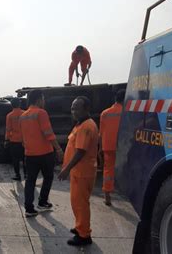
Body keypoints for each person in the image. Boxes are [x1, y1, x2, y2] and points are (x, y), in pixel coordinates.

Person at [58, 96, 99, 246]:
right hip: (79, 172)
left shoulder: (86, 127)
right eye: (72, 108)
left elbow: (80, 151)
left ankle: (84, 236)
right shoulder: (80, 125)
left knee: (80, 203)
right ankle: (80, 226)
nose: (73, 111)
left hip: (82, 172)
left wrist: (66, 169)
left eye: (77, 108)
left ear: (86, 109)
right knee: (77, 202)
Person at [20, 89, 63, 217]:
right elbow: (48, 133)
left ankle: (29, 208)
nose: (44, 101)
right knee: (48, 177)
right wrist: (59, 149)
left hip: (29, 154)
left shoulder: (23, 116)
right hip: (45, 154)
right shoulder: (41, 113)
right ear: (39, 99)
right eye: (43, 99)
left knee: (30, 181)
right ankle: (42, 202)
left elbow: (23, 138)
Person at [99, 89, 125, 206]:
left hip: (108, 146)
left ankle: (107, 196)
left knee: (108, 170)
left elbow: (101, 132)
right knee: (125, 168)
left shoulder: (104, 113)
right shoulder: (127, 112)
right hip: (123, 146)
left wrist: (99, 147)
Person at [5, 98, 26, 180]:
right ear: (19, 104)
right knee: (25, 159)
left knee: (15, 159)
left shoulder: (9, 115)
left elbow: (8, 129)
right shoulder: (25, 114)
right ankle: (26, 175)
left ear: (11, 105)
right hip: (24, 140)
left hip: (14, 140)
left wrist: (6, 140)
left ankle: (17, 175)